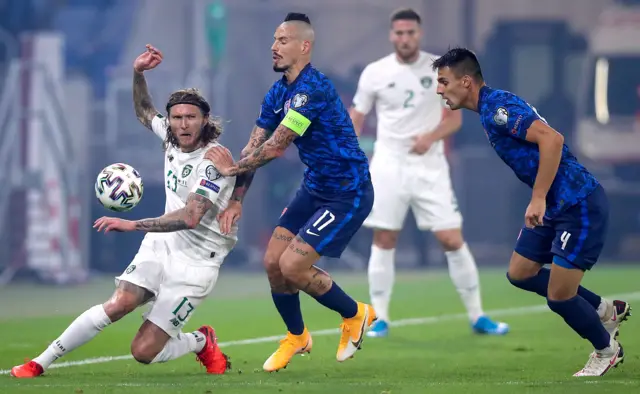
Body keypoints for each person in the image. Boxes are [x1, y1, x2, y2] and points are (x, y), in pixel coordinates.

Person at [11, 45, 232, 378]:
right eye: (177, 117)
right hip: (163, 246)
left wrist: (132, 225)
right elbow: (144, 110)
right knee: (118, 304)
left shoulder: (212, 161)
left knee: (143, 352)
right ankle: (40, 362)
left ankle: (200, 341)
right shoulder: (171, 139)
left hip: (198, 262)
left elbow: (190, 217)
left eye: (191, 117)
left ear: (204, 120)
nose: (183, 124)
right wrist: (138, 73)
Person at [431, 47, 631, 377]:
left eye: (443, 81)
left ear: (465, 81)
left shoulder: (497, 109)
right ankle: (603, 309)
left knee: (559, 297)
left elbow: (552, 140)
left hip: (577, 203)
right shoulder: (488, 108)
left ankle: (606, 349)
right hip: (556, 205)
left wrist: (538, 198)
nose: (439, 90)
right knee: (521, 272)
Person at [205, 13, 376, 372]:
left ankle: (357, 314)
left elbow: (276, 147)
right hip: (314, 189)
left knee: (293, 266)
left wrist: (231, 170)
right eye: (274, 40)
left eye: (282, 41)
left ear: (304, 46)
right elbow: (255, 145)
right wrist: (237, 199)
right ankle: (297, 337)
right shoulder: (277, 93)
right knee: (272, 264)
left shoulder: (313, 89)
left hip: (348, 191)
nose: (273, 47)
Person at [349, 8, 508, 337]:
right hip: (389, 163)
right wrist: (350, 154)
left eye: (410, 33)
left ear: (419, 35)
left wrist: (430, 138)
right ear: (392, 35)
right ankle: (380, 318)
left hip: (430, 165)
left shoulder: (440, 69)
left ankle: (478, 315)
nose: (404, 38)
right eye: (399, 33)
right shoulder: (375, 73)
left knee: (451, 238)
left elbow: (455, 118)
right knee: (385, 237)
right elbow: (357, 116)